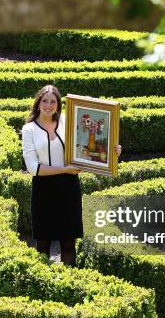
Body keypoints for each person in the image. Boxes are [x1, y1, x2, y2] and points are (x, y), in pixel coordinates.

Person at [21, 85, 121, 266]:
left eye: (53, 101)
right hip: (43, 190)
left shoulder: (68, 122)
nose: (48, 105)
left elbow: (87, 147)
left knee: (68, 243)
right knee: (43, 244)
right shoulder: (29, 130)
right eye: (45, 101)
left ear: (58, 105)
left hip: (69, 188)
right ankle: (42, 287)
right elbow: (33, 168)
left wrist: (112, 149)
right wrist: (65, 169)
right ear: (38, 103)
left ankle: (69, 286)